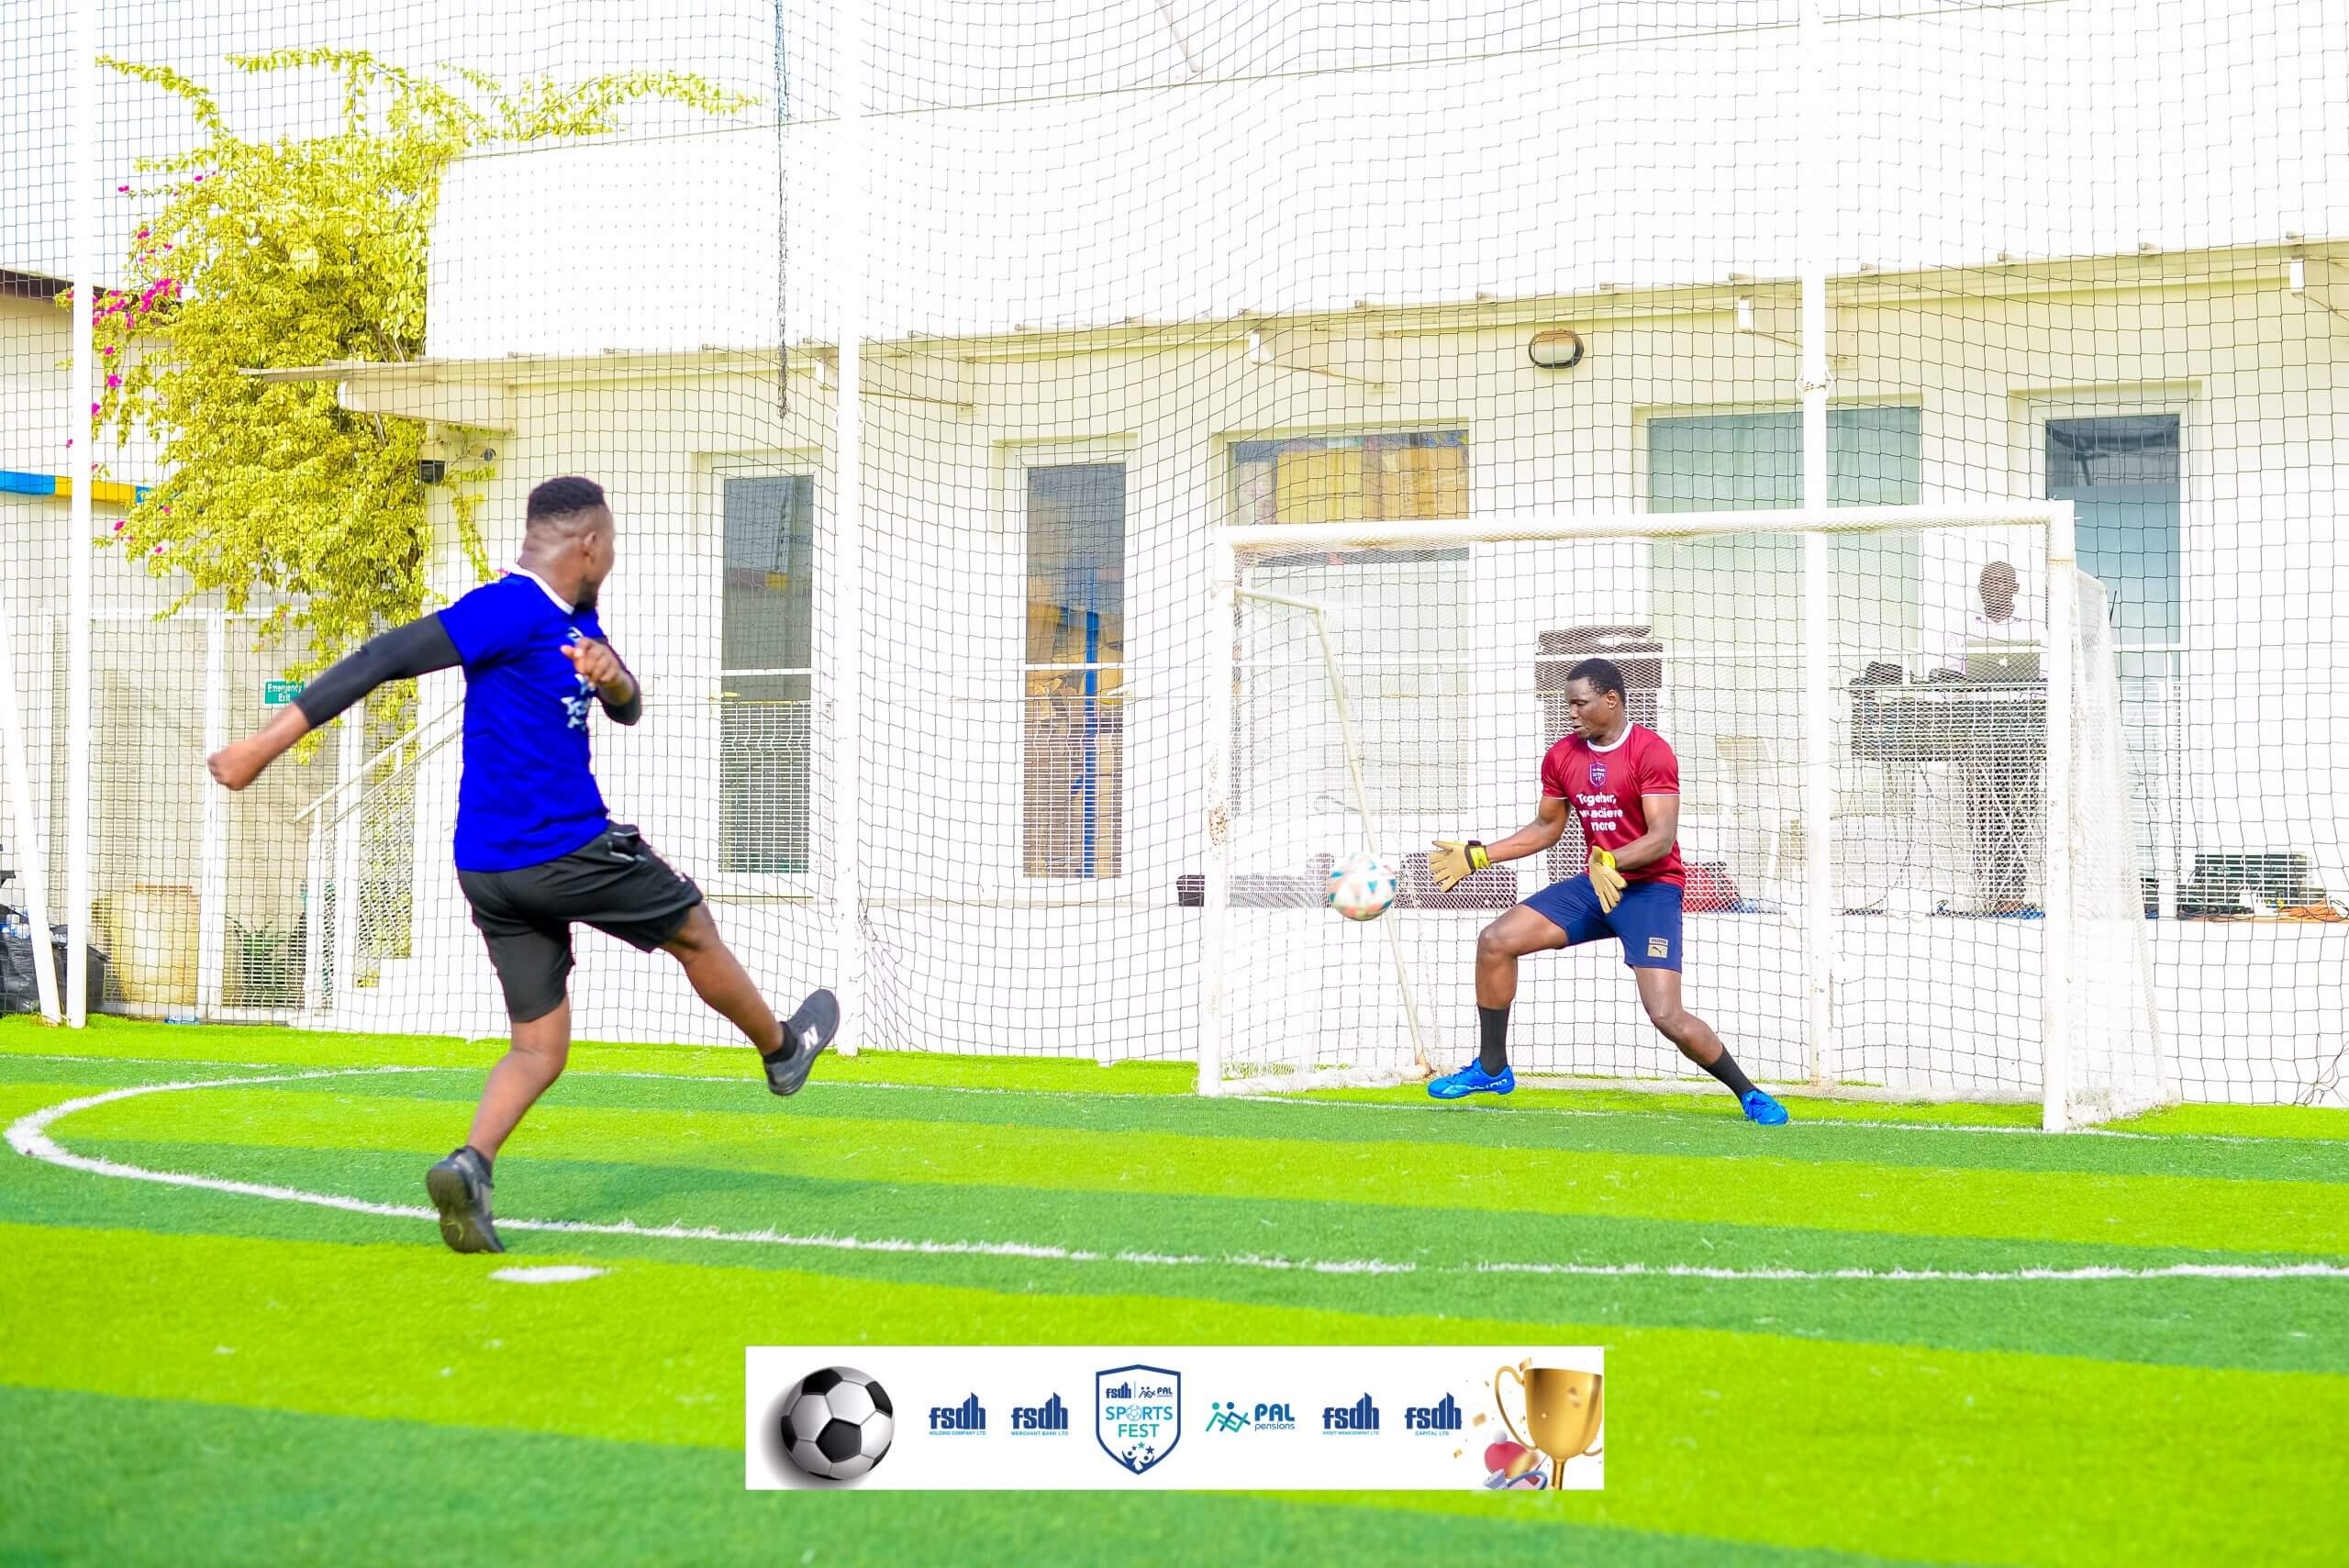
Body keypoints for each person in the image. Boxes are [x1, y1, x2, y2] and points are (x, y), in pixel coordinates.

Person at [206, 476, 839, 1253]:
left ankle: (470, 1166)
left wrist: (616, 680)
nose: (614, 555)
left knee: (539, 1046)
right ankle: (782, 1051)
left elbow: (628, 707)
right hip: (564, 848)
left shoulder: (575, 619)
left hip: (490, 868)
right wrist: (261, 747)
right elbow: (383, 656)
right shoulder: (508, 608)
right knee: (693, 926)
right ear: (590, 545)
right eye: (612, 542)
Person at [1425, 656, 1787, 1123]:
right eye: (1568, 704)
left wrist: (1611, 859)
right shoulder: (1562, 756)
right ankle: (1492, 1069)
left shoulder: (1650, 752)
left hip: (1650, 891)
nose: (1571, 712)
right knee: (1496, 941)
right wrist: (1480, 856)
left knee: (1666, 1015)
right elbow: (1546, 827)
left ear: (1611, 700)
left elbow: (1661, 838)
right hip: (1595, 886)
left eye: (1580, 703)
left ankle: (1749, 1094)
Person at [1938, 559, 2045, 914]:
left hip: (2022, 731)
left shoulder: (2035, 628)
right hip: (1978, 731)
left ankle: (2013, 895)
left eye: (2002, 582)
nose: (1995, 588)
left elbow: (2047, 677)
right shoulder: (1962, 627)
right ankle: (1990, 892)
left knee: (2019, 813)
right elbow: (1949, 676)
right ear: (1981, 589)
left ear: (2015, 588)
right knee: (1983, 813)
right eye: (1988, 582)